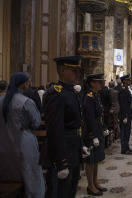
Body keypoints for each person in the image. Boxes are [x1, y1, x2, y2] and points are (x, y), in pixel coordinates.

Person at [41, 56, 90, 198]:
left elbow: (74, 125)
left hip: (72, 151)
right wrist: (61, 163)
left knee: (70, 193)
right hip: (61, 155)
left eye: (79, 71)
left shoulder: (71, 92)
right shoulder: (56, 93)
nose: (78, 74)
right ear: (62, 71)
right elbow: (55, 131)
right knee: (58, 193)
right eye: (74, 71)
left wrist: (81, 145)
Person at [0, 72, 45, 198]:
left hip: (4, 140)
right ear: (25, 84)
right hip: (24, 140)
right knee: (29, 172)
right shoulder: (26, 102)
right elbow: (36, 122)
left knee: (8, 170)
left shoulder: (1, 100)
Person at [82, 74, 109, 196]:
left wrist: (103, 128)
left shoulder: (96, 96)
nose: (101, 84)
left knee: (96, 158)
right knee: (90, 160)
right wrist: (93, 135)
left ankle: (95, 181)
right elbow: (89, 119)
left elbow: (99, 115)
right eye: (99, 82)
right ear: (92, 83)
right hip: (90, 132)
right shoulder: (89, 97)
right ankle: (90, 185)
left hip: (97, 129)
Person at [119, 74, 132, 155]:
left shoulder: (126, 89)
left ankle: (127, 146)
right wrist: (124, 115)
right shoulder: (123, 90)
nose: (130, 81)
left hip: (128, 112)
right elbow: (123, 104)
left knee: (128, 131)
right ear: (125, 81)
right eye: (128, 80)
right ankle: (123, 149)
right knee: (124, 131)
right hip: (125, 114)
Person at [98, 81, 112, 148]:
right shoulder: (107, 91)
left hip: (100, 110)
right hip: (106, 110)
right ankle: (106, 142)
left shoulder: (98, 91)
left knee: (100, 126)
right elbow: (110, 102)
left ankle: (101, 143)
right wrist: (109, 107)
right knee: (106, 126)